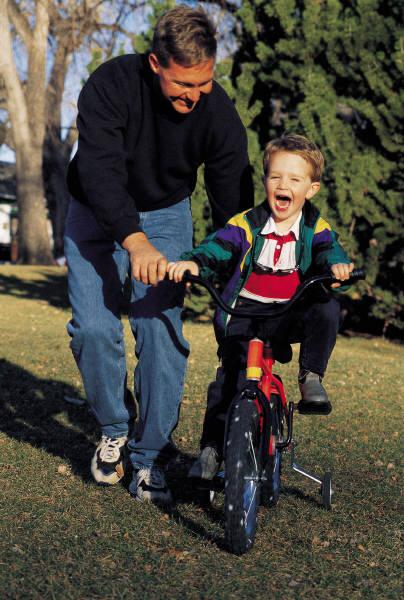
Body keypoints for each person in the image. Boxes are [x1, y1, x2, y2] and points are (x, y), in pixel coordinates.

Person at [64, 6, 254, 503]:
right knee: (94, 328)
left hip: (167, 213)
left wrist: (235, 260)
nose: (193, 96)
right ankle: (114, 429)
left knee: (159, 329)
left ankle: (149, 460)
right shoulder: (111, 85)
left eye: (204, 83)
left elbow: (231, 189)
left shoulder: (215, 108)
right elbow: (100, 173)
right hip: (94, 209)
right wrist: (132, 239)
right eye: (181, 85)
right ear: (155, 64)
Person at [167, 134, 354, 480]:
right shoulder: (247, 224)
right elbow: (218, 246)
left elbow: (330, 251)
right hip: (245, 312)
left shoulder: (316, 227)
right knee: (229, 381)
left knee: (327, 305)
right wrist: (196, 263)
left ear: (311, 189)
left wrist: (336, 267)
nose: (283, 185)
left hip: (290, 313)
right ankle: (210, 450)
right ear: (266, 181)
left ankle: (310, 376)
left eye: (295, 179)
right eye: (276, 177)